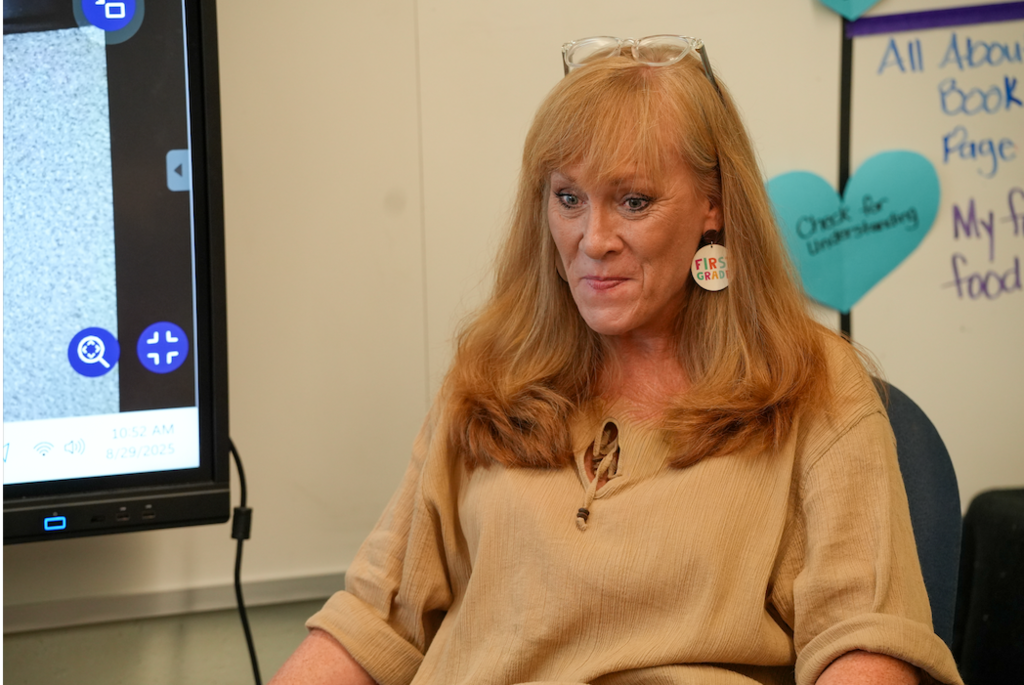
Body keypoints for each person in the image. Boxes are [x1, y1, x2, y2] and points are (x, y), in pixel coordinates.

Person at [271, 35, 963, 685]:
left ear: (714, 205)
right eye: (569, 198)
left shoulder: (814, 382)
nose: (592, 239)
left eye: (633, 201)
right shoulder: (490, 373)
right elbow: (369, 618)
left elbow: (866, 645)